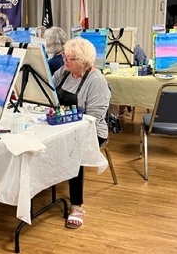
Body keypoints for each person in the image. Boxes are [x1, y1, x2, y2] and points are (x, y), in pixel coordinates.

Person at [53, 38, 111, 229]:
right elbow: (49, 92)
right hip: (63, 124)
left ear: (83, 62)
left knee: (73, 150)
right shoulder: (64, 73)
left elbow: (93, 118)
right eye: (64, 56)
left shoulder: (97, 81)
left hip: (91, 130)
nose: (64, 61)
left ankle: (76, 205)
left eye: (69, 58)